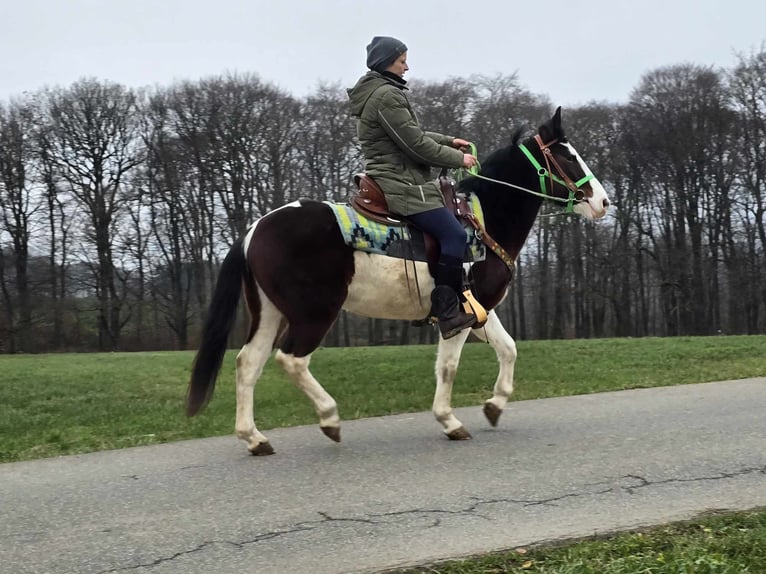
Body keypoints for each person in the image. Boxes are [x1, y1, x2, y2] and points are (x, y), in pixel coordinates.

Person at [347, 36, 479, 340]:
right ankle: (446, 311)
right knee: (455, 234)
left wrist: (447, 141)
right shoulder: (387, 97)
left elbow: (411, 132)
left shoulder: (378, 93)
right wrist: (460, 159)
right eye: (402, 60)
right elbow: (416, 146)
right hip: (401, 183)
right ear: (386, 62)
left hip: (397, 177)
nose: (407, 66)